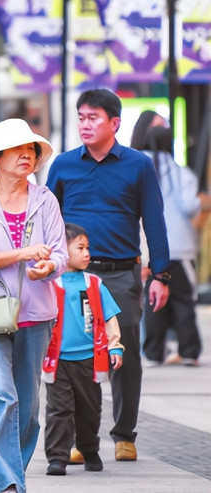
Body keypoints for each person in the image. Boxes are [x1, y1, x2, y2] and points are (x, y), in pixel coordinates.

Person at [46, 88, 170, 463]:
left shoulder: (138, 165)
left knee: (123, 352)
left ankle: (124, 434)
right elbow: (48, 220)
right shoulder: (63, 165)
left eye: (93, 118)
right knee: (71, 358)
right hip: (71, 278)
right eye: (81, 117)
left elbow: (154, 220)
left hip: (120, 274)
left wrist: (161, 274)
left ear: (114, 123)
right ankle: (76, 440)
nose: (85, 124)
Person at [0, 118, 68, 493]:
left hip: (36, 315)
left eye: (31, 149)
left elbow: (61, 254)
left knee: (28, 406)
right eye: (17, 149)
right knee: (3, 397)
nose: (26, 155)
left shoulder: (45, 199)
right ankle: (8, 483)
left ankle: (8, 474)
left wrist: (49, 267)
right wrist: (20, 254)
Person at [42, 223, 124, 476]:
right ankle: (57, 457)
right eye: (80, 248)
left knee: (90, 409)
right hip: (57, 360)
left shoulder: (94, 283)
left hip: (90, 359)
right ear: (61, 250)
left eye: (87, 248)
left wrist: (115, 346)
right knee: (59, 411)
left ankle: (89, 450)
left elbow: (109, 317)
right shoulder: (48, 282)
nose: (87, 253)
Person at [140, 126, 205, 366]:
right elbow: (189, 205)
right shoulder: (181, 173)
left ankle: (153, 353)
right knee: (183, 300)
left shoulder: (137, 168)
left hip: (149, 247)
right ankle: (188, 351)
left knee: (152, 301)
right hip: (179, 247)